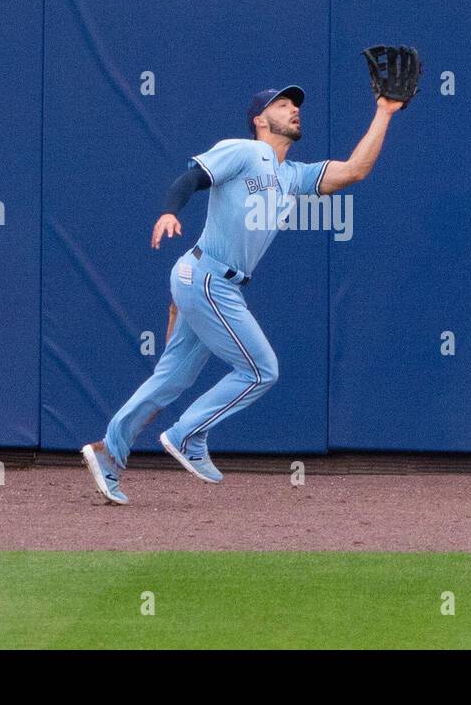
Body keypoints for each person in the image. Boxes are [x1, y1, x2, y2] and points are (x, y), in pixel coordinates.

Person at [82, 83, 404, 504]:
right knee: (261, 370)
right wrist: (167, 211)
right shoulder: (247, 151)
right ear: (259, 119)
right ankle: (187, 434)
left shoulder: (292, 176)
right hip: (207, 277)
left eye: (295, 106)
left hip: (208, 284)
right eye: (282, 105)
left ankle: (108, 453)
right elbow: (192, 177)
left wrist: (384, 112)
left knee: (171, 378)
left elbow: (355, 170)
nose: (293, 111)